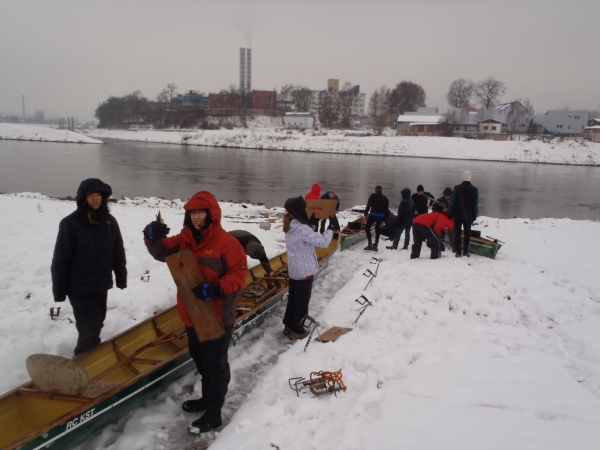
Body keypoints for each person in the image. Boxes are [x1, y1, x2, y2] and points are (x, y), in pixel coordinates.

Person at [143, 191, 247, 433]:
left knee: (215, 367)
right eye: (192, 213)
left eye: (200, 213)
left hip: (217, 318)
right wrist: (150, 237)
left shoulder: (227, 243)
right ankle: (207, 399)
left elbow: (239, 275)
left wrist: (218, 287)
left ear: (212, 214)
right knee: (201, 362)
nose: (196, 218)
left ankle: (214, 414)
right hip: (192, 316)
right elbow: (162, 251)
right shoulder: (185, 239)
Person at [51, 178, 127, 356]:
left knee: (96, 323)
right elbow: (61, 259)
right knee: (91, 327)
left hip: (101, 284)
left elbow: (118, 251)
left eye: (98, 195)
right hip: (79, 286)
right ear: (82, 198)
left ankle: (83, 359)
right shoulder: (70, 223)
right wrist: (59, 290)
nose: (95, 198)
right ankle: (85, 362)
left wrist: (121, 276)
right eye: (90, 195)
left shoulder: (109, 222)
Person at [283, 196, 336, 340]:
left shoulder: (291, 224)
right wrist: (331, 228)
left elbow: (305, 235)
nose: (307, 209)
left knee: (293, 298)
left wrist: (312, 223)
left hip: (295, 270)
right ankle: (297, 330)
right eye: (305, 207)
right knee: (301, 301)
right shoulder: (303, 229)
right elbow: (324, 242)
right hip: (305, 270)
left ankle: (288, 324)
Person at [448, 171, 479, 258]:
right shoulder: (474, 190)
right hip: (469, 216)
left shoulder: (457, 188)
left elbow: (452, 203)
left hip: (457, 215)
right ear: (470, 178)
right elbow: (475, 205)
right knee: (467, 233)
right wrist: (474, 215)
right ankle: (465, 251)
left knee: (457, 233)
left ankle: (458, 251)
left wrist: (450, 213)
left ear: (462, 178)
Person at [363, 186, 389, 251]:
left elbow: (368, 205)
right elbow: (386, 210)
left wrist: (365, 214)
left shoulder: (372, 196)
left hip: (373, 214)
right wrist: (383, 219)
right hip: (381, 216)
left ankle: (370, 244)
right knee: (377, 229)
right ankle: (376, 246)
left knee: (367, 228)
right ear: (381, 190)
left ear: (375, 190)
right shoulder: (385, 198)